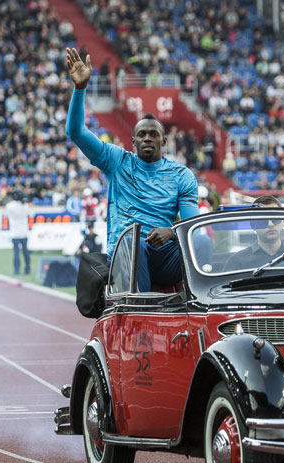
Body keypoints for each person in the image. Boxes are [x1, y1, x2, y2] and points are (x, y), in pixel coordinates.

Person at [65, 47, 202, 292]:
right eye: (142, 134)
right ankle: (139, 309)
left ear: (164, 141)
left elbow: (191, 224)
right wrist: (80, 88)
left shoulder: (182, 175)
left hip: (164, 256)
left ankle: (203, 303)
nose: (148, 138)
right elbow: (76, 132)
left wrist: (171, 232)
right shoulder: (117, 161)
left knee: (201, 242)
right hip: (126, 252)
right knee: (134, 241)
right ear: (133, 141)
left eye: (153, 134)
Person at [222, 195, 284, 272]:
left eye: (275, 218)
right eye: (263, 220)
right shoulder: (236, 262)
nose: (270, 224)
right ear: (253, 225)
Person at [5, 190, 31, 275]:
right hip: (24, 232)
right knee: (25, 251)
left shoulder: (10, 206)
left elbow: (8, 212)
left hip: (15, 233)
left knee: (16, 252)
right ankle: (27, 269)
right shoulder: (25, 206)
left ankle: (17, 270)